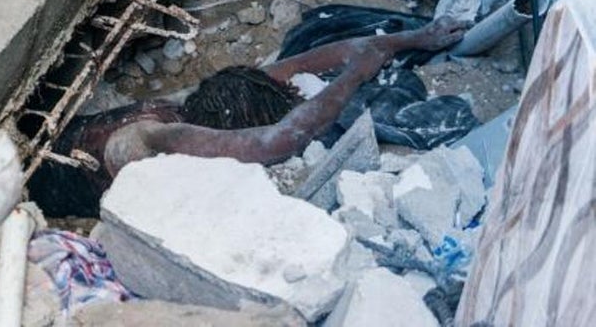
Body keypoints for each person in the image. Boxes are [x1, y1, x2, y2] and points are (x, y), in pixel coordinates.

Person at [26, 16, 468, 217]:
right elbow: (275, 141)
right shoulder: (157, 135)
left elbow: (299, 66)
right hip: (47, 185)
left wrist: (413, 38)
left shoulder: (212, 101)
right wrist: (353, 77)